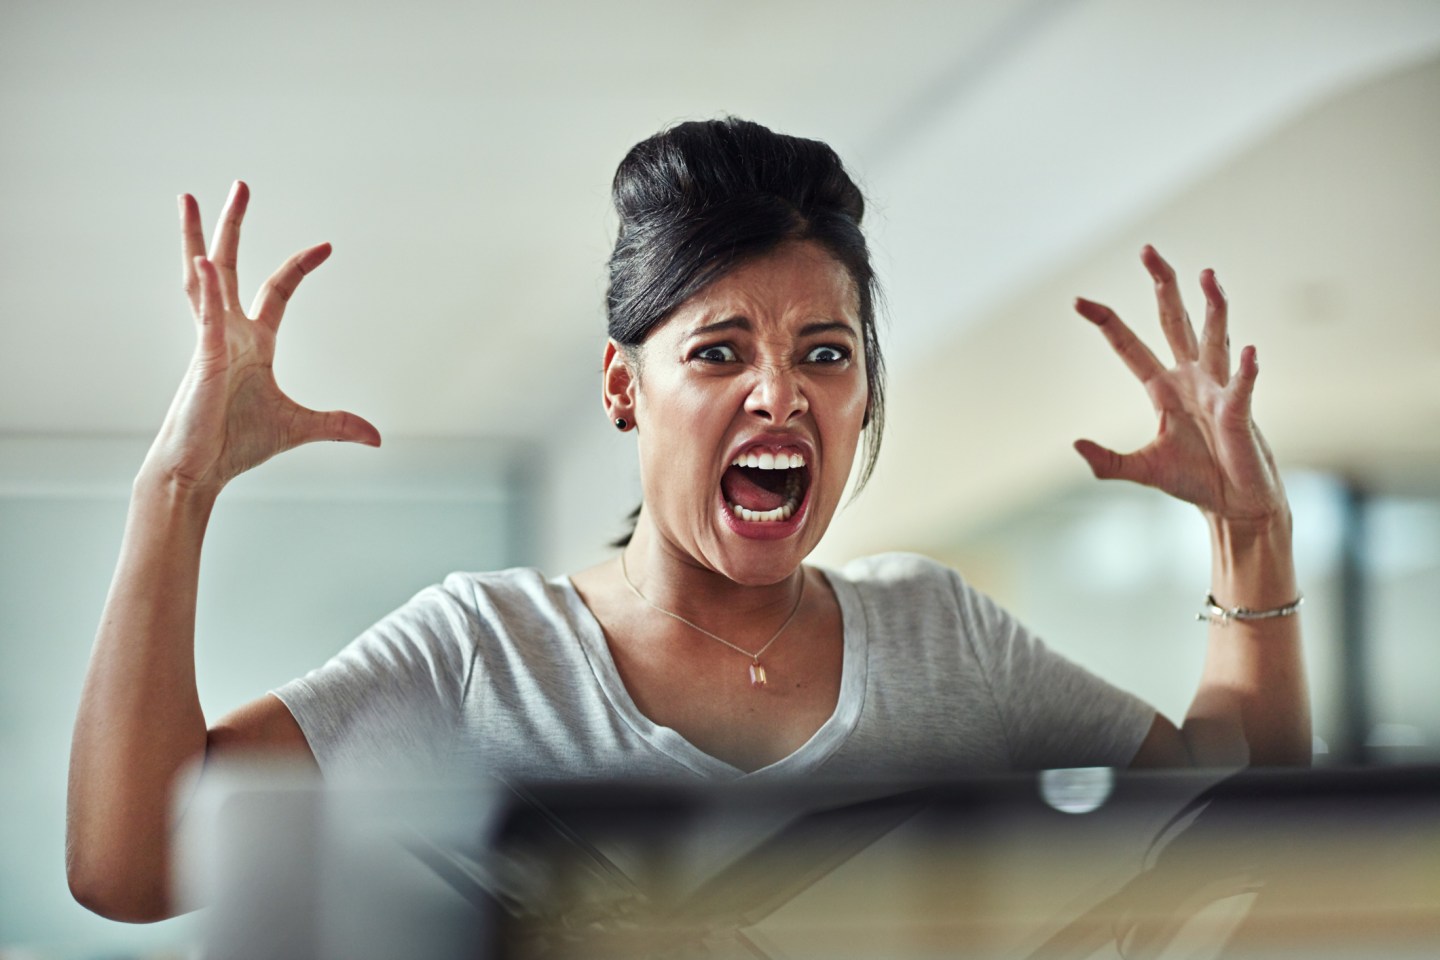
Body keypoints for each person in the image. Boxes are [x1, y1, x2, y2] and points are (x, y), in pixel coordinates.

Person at [66, 118, 1309, 923]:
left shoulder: (940, 635)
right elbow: (134, 867)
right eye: (720, 351)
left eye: (826, 352)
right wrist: (173, 492)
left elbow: (1243, 823)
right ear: (625, 388)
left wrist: (1254, 533)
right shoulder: (480, 651)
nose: (782, 392)